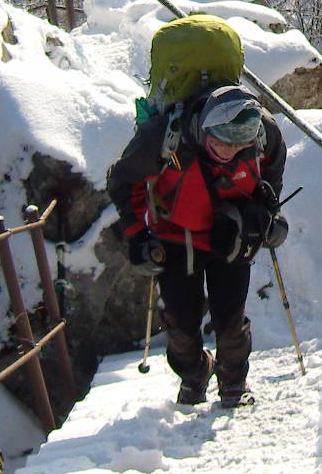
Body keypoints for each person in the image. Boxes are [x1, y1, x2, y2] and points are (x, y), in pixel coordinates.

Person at [106, 84, 288, 407]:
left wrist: (269, 214)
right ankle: (194, 373)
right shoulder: (162, 137)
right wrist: (137, 236)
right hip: (176, 237)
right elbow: (124, 182)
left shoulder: (263, 133)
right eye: (220, 144)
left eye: (237, 145)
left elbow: (271, 172)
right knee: (181, 325)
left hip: (232, 233)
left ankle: (234, 383)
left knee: (231, 318)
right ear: (204, 129)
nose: (229, 152)